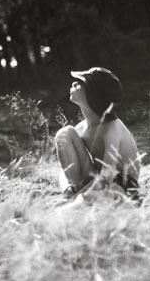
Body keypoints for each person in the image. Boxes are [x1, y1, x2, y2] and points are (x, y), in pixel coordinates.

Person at [54, 67, 141, 201]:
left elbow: (108, 175)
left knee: (111, 193)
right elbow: (64, 170)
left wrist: (81, 194)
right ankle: (75, 195)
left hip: (121, 183)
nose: (74, 83)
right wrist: (67, 187)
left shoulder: (112, 128)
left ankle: (79, 198)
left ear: (92, 94)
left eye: (81, 82)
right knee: (64, 133)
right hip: (97, 180)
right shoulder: (81, 128)